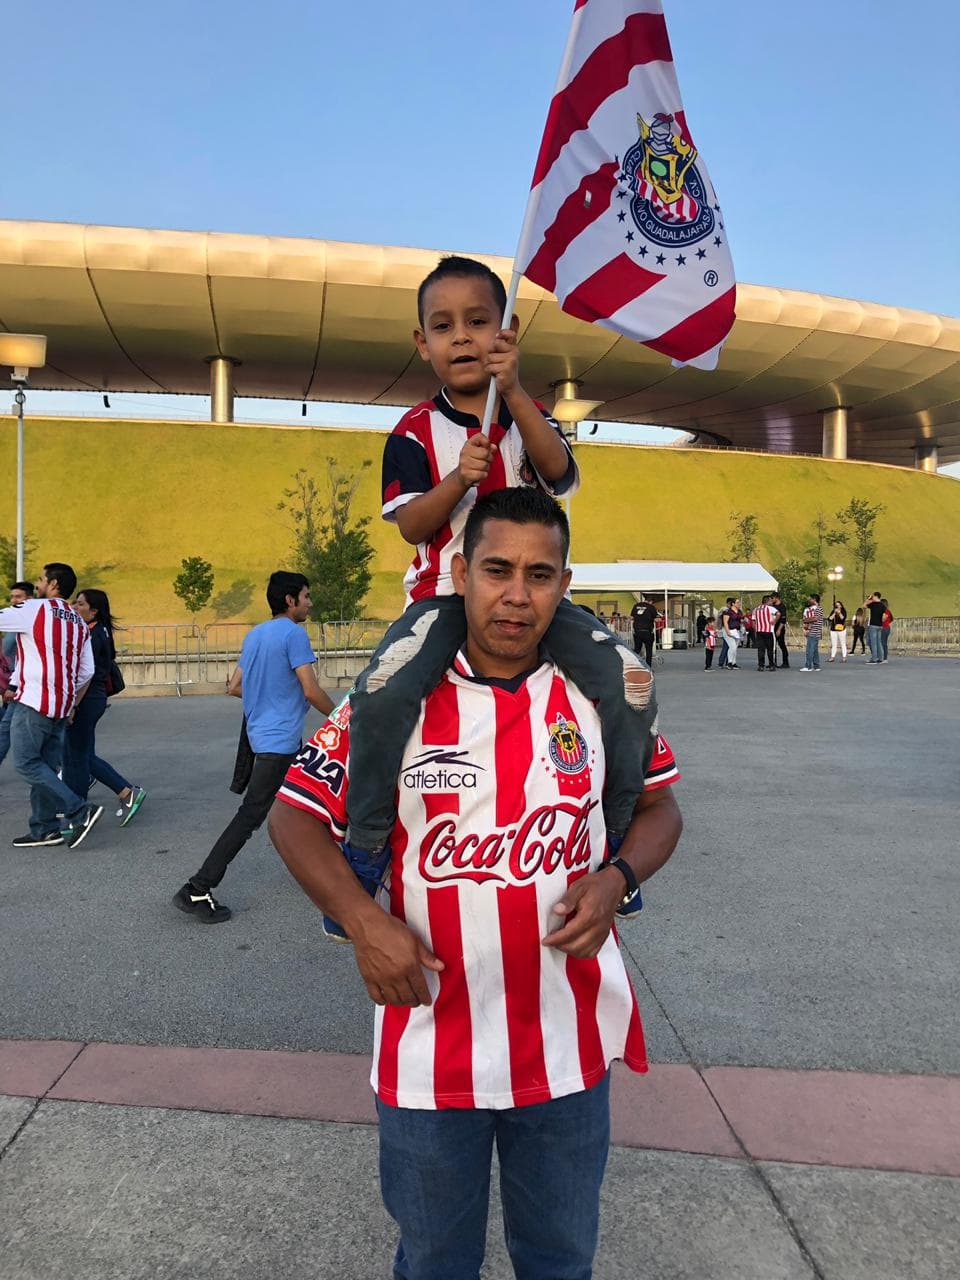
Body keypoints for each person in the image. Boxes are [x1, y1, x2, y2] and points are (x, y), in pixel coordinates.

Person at [269, 488, 683, 1280]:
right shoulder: (390, 700)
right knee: (434, 1263)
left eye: (539, 574)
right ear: (460, 574)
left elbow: (661, 808)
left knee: (560, 1261)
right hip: (429, 1052)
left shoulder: (599, 698)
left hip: (566, 1049)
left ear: (564, 586)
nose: (517, 594)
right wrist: (364, 922)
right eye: (497, 570)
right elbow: (293, 816)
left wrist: (618, 877)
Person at [331, 255, 657, 939]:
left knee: (631, 682)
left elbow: (559, 472)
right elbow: (411, 526)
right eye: (443, 326)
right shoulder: (413, 431)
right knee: (383, 693)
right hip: (442, 599)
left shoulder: (527, 415)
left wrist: (516, 394)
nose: (462, 337)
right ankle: (365, 847)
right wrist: (457, 480)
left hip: (534, 600)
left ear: (505, 332)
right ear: (422, 343)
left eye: (478, 322)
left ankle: (616, 842)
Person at [173, 572, 333, 923]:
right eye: (306, 596)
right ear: (290, 600)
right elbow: (310, 690)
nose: (310, 603)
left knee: (311, 801)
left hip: (262, 736)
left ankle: (327, 872)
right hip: (280, 742)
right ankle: (197, 887)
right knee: (252, 815)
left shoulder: (255, 635)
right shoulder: (294, 634)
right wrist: (342, 718)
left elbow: (234, 686)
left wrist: (268, 698)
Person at [0, 563, 101, 848]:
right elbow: (87, 671)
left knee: (27, 764)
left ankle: (79, 810)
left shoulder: (33, 609)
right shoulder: (79, 622)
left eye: (41, 579)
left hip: (34, 701)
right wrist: (71, 704)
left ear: (53, 584)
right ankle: (44, 828)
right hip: (61, 706)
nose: (37, 583)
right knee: (43, 765)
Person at [62, 589, 146, 823]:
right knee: (80, 753)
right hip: (94, 698)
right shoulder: (99, 630)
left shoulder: (92, 634)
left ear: (94, 611)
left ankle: (123, 793)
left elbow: (86, 674)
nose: (74, 607)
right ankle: (78, 805)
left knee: (77, 755)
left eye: (80, 604)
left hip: (87, 699)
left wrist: (73, 705)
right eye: (75, 602)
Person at [0, 580, 35, 769]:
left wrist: (13, 686)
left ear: (29, 599)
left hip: (23, 687)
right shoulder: (15, 622)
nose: (13, 600)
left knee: (6, 730)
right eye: (12, 597)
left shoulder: (26, 623)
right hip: (16, 685)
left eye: (18, 597)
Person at [752, 595, 779, 671]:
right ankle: (771, 665)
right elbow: (778, 614)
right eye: (770, 600)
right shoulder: (770, 608)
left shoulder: (756, 609)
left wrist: (755, 630)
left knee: (761, 649)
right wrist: (774, 621)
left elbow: (753, 621)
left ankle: (761, 665)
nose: (771, 602)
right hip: (768, 631)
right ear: (767, 601)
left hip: (759, 631)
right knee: (770, 649)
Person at [800, 593, 824, 671]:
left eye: (810, 599)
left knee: (809, 649)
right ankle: (816, 666)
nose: (809, 600)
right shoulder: (817, 608)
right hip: (815, 631)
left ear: (814, 599)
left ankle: (808, 666)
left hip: (814, 631)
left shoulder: (818, 608)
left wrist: (805, 620)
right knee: (815, 650)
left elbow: (815, 618)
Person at [630, 596, 657, 665]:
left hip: (637, 631)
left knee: (637, 649)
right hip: (647, 631)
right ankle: (648, 666)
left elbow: (632, 617)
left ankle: (634, 664)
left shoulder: (636, 606)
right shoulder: (651, 607)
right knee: (648, 650)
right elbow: (656, 618)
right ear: (651, 602)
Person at [719, 597, 743, 669]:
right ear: (733, 604)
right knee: (732, 646)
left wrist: (743, 621)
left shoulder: (739, 611)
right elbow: (725, 622)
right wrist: (727, 631)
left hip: (736, 631)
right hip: (728, 630)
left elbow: (740, 620)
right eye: (737, 602)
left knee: (735, 648)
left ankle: (733, 662)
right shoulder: (727, 612)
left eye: (739, 602)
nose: (739, 604)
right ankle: (729, 663)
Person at [863, 591, 886, 664]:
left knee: (873, 643)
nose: (872, 597)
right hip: (880, 625)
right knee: (878, 642)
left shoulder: (873, 604)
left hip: (873, 625)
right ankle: (880, 658)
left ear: (876, 596)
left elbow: (864, 606)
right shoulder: (883, 605)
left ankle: (874, 659)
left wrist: (868, 599)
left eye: (873, 596)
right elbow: (884, 616)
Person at [771, 591, 790, 669]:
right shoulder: (772, 606)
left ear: (777, 598)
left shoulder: (782, 607)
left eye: (772, 598)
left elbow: (783, 620)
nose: (771, 599)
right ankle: (773, 662)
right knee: (772, 646)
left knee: (782, 645)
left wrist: (779, 629)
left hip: (780, 628)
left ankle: (785, 662)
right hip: (772, 628)